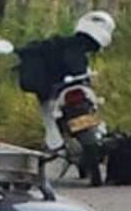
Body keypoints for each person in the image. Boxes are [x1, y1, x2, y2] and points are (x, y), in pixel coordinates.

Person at [14, 11, 116, 152]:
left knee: (50, 119)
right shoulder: (79, 52)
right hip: (76, 91)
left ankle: (56, 145)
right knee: (92, 107)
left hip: (53, 93)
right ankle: (97, 132)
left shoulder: (53, 46)